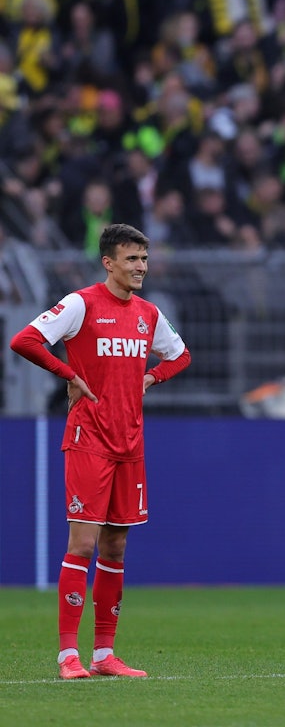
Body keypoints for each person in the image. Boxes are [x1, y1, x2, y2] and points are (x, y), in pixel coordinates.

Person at [9, 223, 191, 679]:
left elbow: (181, 355)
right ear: (108, 262)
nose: (141, 268)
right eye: (132, 260)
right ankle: (68, 654)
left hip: (130, 444)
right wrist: (68, 374)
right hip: (89, 439)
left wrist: (153, 377)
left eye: (144, 260)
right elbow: (24, 340)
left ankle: (104, 654)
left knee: (115, 547)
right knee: (84, 543)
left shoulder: (149, 313)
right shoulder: (81, 303)